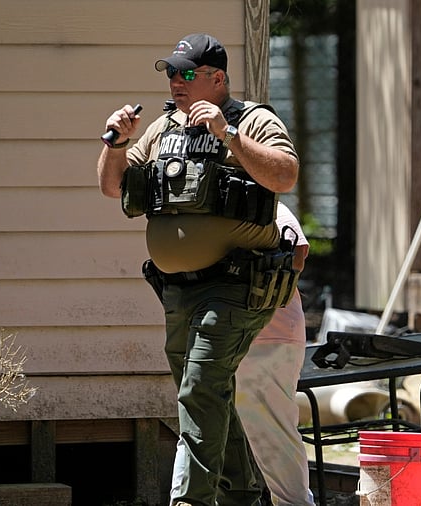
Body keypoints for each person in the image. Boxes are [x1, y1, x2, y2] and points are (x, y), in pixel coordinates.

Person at [97, 33, 299, 506]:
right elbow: (111, 187)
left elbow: (285, 175)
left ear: (218, 79)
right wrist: (116, 143)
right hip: (178, 289)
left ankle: (191, 500)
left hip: (236, 284)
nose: (176, 82)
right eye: (171, 73)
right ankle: (243, 494)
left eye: (186, 73)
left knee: (200, 388)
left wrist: (228, 136)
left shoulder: (252, 119)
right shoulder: (163, 127)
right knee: (208, 393)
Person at [235, 202, 314, 506]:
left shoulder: (267, 204)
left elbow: (297, 255)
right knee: (204, 428)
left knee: (274, 434)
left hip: (269, 335)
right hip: (228, 334)